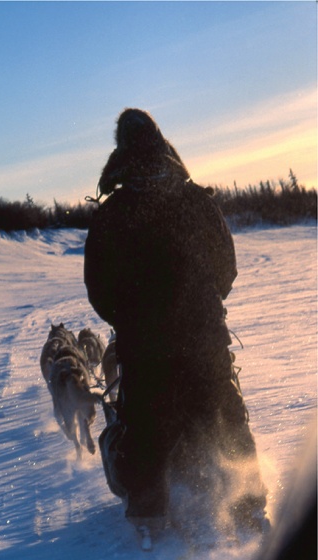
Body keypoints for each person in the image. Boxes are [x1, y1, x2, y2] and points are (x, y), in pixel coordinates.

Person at [84, 108, 265, 536]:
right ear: (163, 143)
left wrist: (130, 321)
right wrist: (202, 306)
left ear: (122, 150)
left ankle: (149, 517)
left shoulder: (112, 213)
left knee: (144, 426)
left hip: (145, 349)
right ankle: (248, 506)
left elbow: (99, 290)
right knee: (224, 414)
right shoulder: (197, 201)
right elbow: (226, 267)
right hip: (203, 339)